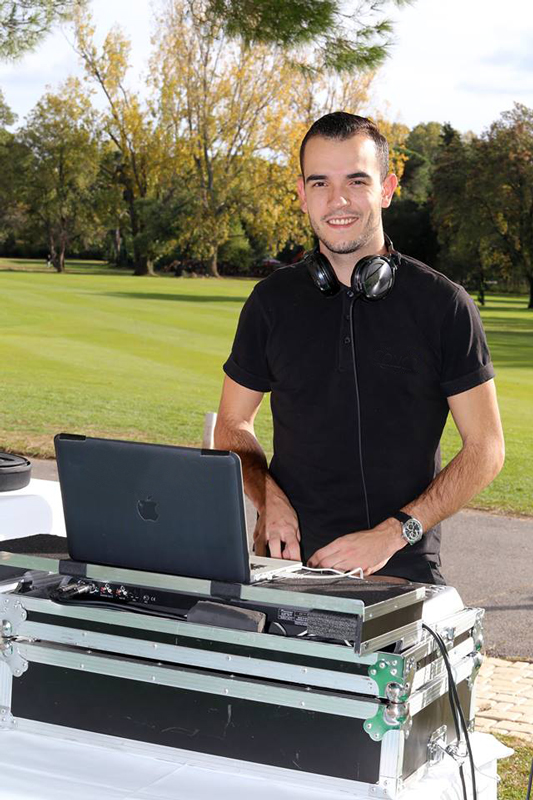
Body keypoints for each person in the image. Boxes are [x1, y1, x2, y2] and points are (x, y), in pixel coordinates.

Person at [214, 112, 505, 584]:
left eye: (356, 180)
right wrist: (268, 497)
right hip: (284, 565)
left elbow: (486, 449)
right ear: (302, 193)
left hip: (397, 569)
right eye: (320, 183)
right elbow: (231, 424)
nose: (338, 200)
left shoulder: (444, 305)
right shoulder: (271, 301)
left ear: (387, 189)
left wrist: (394, 533)